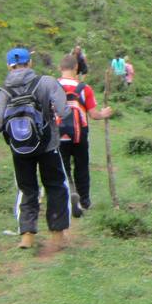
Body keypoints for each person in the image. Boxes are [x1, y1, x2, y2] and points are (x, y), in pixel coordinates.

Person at [0, 47, 70, 250]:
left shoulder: (4, 91)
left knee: (27, 189)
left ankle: (27, 236)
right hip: (48, 146)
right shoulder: (47, 82)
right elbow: (63, 111)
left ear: (9, 66)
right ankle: (57, 236)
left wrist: (0, 112)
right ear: (30, 63)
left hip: (20, 149)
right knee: (56, 186)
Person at [57, 53, 112, 218]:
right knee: (81, 167)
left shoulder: (53, 86)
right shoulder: (84, 88)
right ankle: (85, 201)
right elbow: (94, 115)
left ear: (60, 68)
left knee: (62, 168)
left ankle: (67, 196)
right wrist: (105, 113)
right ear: (76, 68)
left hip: (58, 134)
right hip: (80, 133)